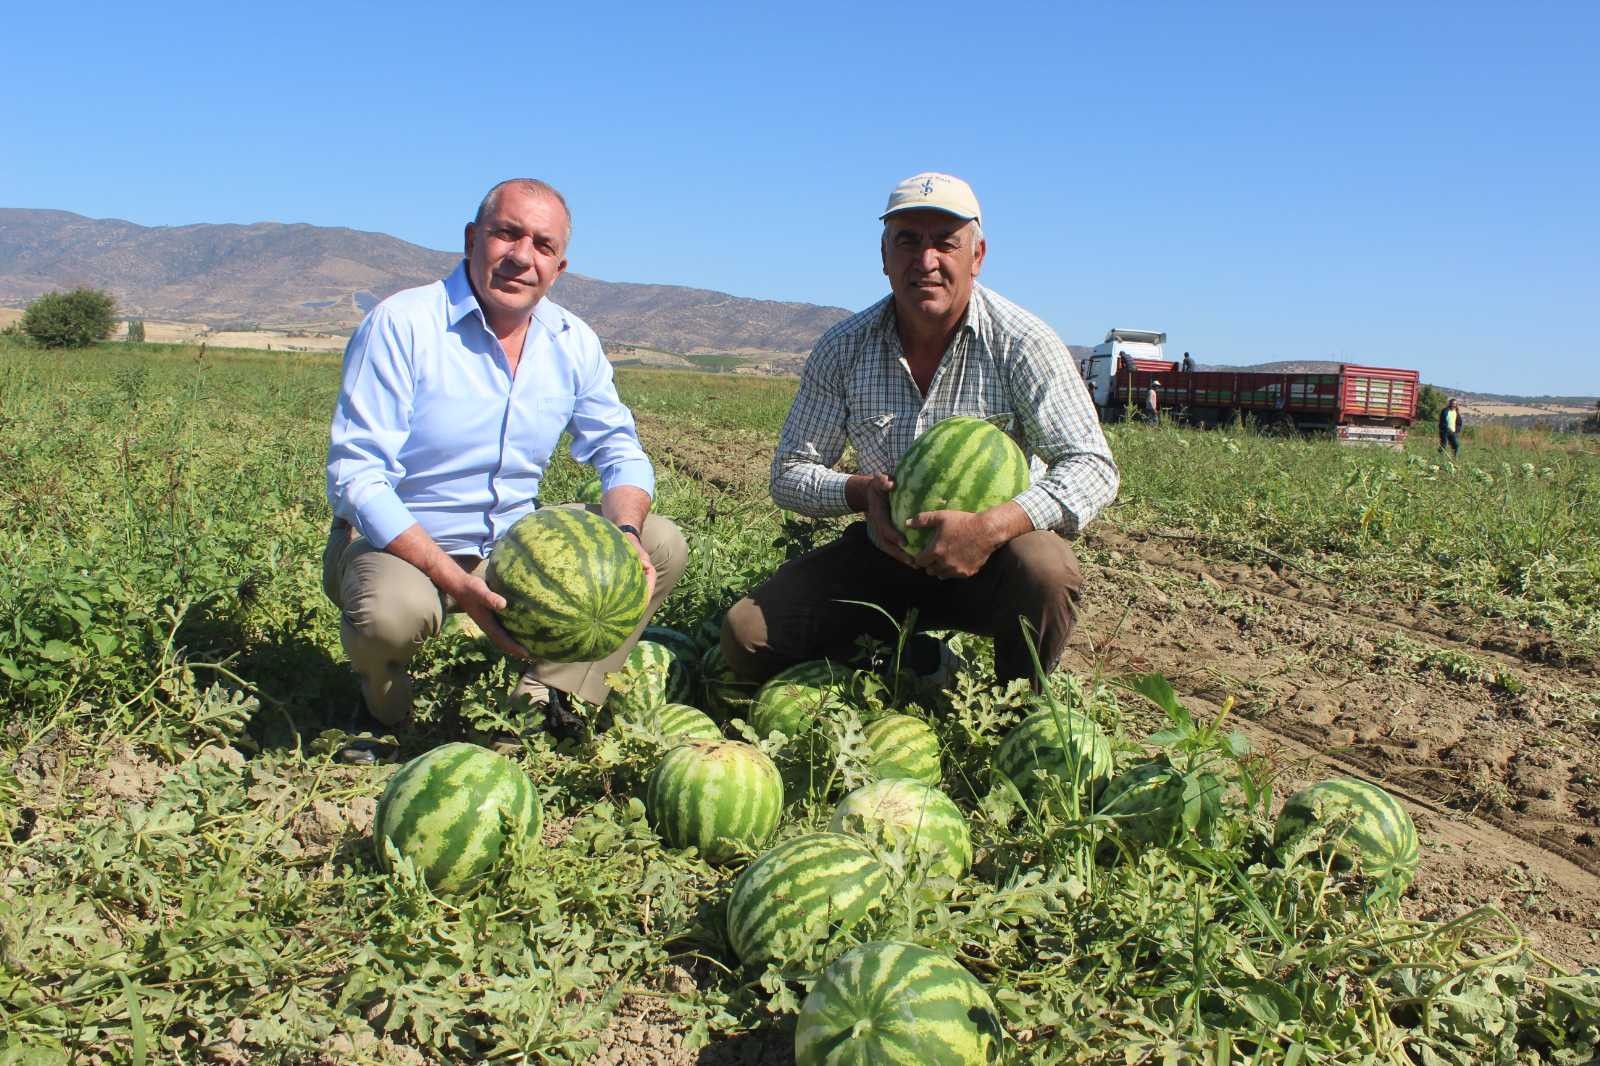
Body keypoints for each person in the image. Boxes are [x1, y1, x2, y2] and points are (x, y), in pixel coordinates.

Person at [324, 178, 686, 751]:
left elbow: (619, 449)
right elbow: (357, 476)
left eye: (542, 245)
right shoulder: (404, 324)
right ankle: (387, 718)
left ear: (559, 267)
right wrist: (453, 581)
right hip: (407, 546)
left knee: (659, 545)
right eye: (506, 234)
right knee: (390, 613)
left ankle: (542, 704)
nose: (522, 256)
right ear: (472, 238)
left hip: (507, 548)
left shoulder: (571, 341)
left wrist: (625, 532)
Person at [721, 172, 1119, 691]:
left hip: (991, 563)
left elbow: (1092, 466)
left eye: (945, 243)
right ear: (884, 254)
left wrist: (991, 528)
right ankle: (912, 663)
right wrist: (861, 494)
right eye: (907, 240)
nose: (925, 260)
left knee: (1047, 567)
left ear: (976, 256)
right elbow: (789, 473)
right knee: (746, 635)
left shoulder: (1023, 343)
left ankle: (1015, 712)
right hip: (882, 557)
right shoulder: (844, 348)